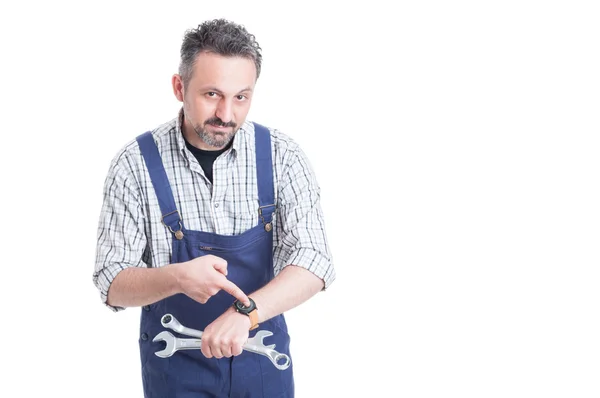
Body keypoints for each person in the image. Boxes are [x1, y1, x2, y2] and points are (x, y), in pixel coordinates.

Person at [92, 18, 336, 398]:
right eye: (211, 94)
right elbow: (111, 282)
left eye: (241, 96)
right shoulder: (134, 165)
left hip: (262, 361)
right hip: (175, 370)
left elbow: (316, 261)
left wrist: (246, 313)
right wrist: (177, 278)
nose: (226, 113)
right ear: (179, 87)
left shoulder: (282, 157)